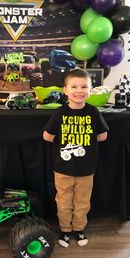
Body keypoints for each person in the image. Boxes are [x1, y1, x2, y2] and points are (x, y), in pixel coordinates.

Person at [43, 68, 108, 248]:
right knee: (64, 201)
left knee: (82, 202)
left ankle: (79, 229)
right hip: (63, 168)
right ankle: (65, 230)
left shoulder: (94, 112)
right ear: (65, 90)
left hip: (87, 168)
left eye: (83, 86)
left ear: (90, 89)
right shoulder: (60, 112)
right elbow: (47, 136)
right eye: (74, 86)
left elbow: (103, 136)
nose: (79, 90)